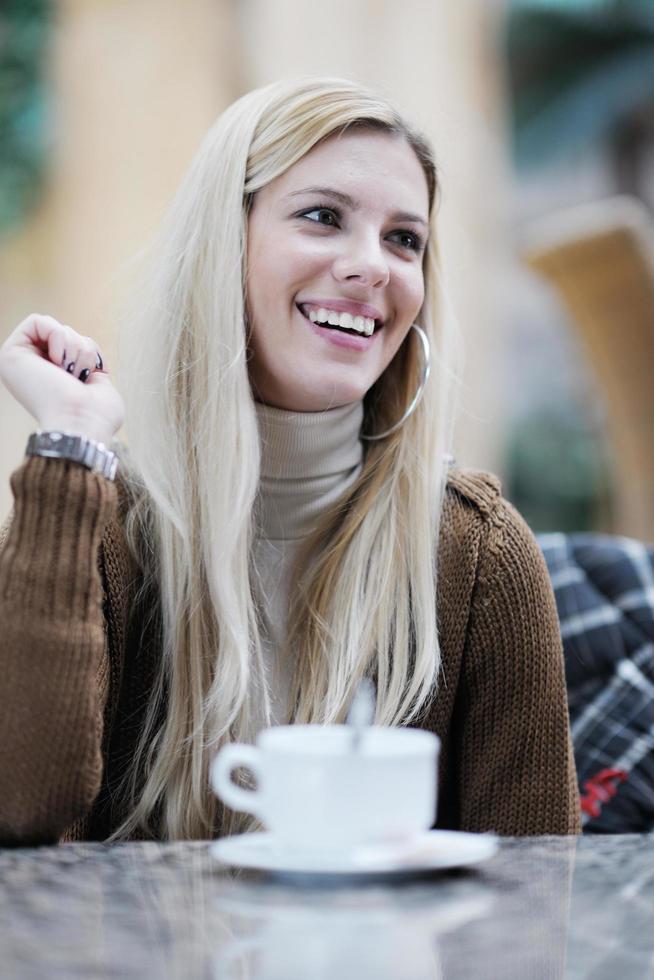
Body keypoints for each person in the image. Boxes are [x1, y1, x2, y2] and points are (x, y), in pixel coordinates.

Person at [0, 77, 580, 845]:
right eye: (322, 217)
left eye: (404, 238)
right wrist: (71, 444)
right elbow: (20, 813)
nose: (372, 265)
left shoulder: (478, 556)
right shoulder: (100, 524)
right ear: (224, 242)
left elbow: (537, 905)